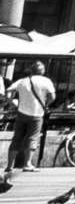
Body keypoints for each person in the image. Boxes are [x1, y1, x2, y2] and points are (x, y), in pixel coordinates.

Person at [0, 59, 47, 193]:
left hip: (22, 113)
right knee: (32, 137)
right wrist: (45, 105)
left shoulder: (23, 81)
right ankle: (26, 164)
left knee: (17, 138)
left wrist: (12, 102)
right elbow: (52, 96)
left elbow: (7, 91)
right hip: (36, 114)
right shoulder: (45, 81)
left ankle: (8, 169)